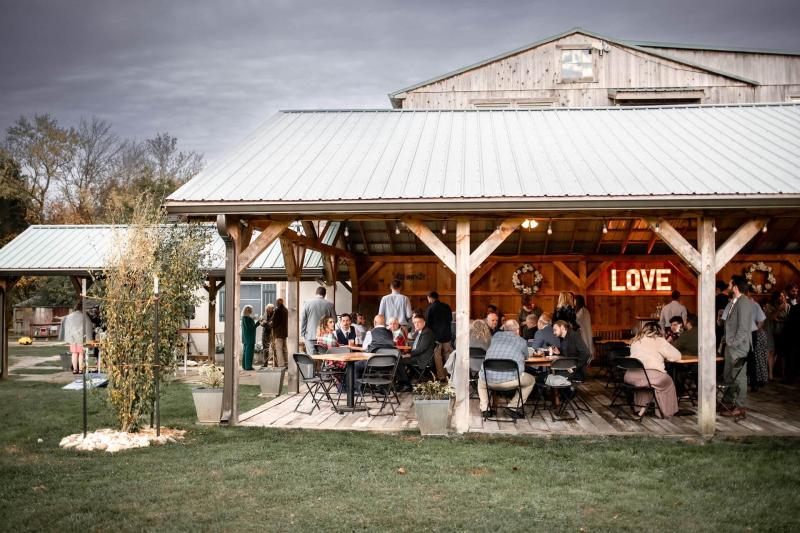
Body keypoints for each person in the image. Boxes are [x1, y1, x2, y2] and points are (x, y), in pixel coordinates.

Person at [478, 319, 534, 419]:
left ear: (504, 328)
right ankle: (512, 407)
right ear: (517, 330)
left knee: (481, 382)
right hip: (510, 380)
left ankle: (485, 409)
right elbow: (526, 357)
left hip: (488, 380)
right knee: (531, 380)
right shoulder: (521, 341)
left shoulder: (495, 337)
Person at [626, 321, 682, 418]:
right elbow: (677, 356)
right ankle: (665, 412)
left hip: (630, 376)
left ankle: (641, 408)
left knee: (647, 382)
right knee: (667, 381)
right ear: (658, 331)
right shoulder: (659, 340)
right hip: (650, 376)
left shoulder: (636, 341)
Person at [721, 275, 754, 418]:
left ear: (735, 287)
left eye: (729, 284)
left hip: (738, 347)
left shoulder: (744, 302)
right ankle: (728, 403)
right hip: (731, 345)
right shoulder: (735, 301)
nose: (728, 286)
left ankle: (740, 407)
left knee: (739, 376)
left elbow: (743, 328)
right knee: (729, 375)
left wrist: (733, 342)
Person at [395, 314, 436, 392]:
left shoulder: (427, 332)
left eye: (418, 322)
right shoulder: (421, 331)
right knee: (400, 359)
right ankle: (403, 381)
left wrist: (409, 354)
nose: (416, 324)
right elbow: (418, 347)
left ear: (424, 322)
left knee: (398, 361)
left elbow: (421, 348)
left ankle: (406, 384)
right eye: (414, 323)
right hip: (419, 356)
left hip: (423, 359)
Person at [425, 291, 454, 381]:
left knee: (437, 356)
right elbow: (451, 319)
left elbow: (428, 324)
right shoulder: (446, 306)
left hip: (436, 336)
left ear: (430, 298)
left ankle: (441, 376)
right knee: (448, 355)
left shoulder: (430, 308)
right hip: (447, 335)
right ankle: (450, 375)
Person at [300, 286, 336, 354]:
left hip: (310, 335)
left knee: (312, 359)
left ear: (316, 293)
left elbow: (303, 320)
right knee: (324, 359)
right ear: (324, 294)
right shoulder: (330, 305)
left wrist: (303, 333)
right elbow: (335, 320)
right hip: (325, 337)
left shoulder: (307, 304)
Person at [764, 291, 789, 381]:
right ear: (775, 298)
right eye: (780, 296)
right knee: (771, 352)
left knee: (782, 354)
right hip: (771, 331)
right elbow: (771, 318)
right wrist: (778, 309)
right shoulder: (768, 306)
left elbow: (788, 319)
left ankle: (783, 374)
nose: (782, 298)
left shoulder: (787, 306)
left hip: (782, 333)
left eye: (783, 296)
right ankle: (770, 374)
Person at [62, 302, 92, 374]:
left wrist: (68, 337)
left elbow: (66, 327)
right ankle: (81, 369)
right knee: (81, 354)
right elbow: (88, 326)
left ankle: (75, 369)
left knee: (74, 353)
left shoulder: (69, 316)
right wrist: (89, 338)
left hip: (72, 338)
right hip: (81, 338)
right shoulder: (84, 316)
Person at [270, 298, 288, 367]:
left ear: (278, 303)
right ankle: (286, 363)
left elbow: (275, 322)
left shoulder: (278, 310)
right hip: (285, 333)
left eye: (276, 303)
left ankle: (281, 365)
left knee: (279, 349)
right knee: (285, 349)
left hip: (278, 333)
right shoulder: (286, 310)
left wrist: (271, 324)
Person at [240, 305, 258, 370]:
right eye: (251, 310)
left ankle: (244, 366)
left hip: (245, 338)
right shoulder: (248, 319)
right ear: (249, 311)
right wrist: (258, 322)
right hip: (250, 338)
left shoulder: (243, 318)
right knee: (249, 353)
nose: (252, 311)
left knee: (245, 352)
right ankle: (248, 367)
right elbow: (252, 328)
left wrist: (253, 319)